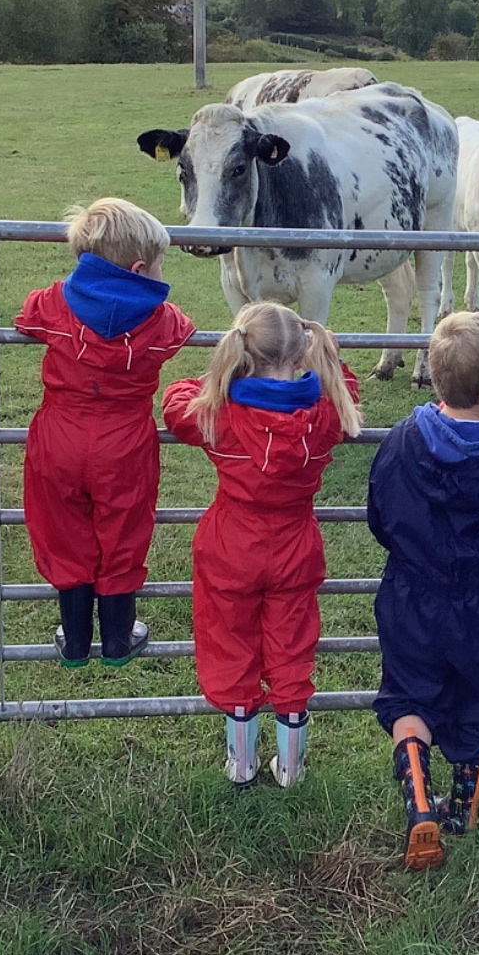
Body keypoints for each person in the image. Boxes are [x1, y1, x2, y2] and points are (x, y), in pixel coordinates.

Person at [164, 302, 360, 788]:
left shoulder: (221, 413)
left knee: (231, 645)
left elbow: (175, 402)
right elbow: (347, 387)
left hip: (231, 544)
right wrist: (330, 360)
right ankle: (291, 768)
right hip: (295, 544)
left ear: (242, 354)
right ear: (302, 354)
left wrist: (221, 378)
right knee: (291, 648)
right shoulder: (326, 413)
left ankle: (241, 763)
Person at [368, 311, 479, 872]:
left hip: (411, 594)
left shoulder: (401, 441)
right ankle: (463, 811)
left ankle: (419, 799)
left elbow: (380, 515)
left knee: (408, 695)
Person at [16, 199, 195, 669]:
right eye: (159, 264)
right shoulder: (162, 319)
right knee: (124, 530)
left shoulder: (56, 301)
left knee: (61, 528)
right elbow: (182, 330)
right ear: (138, 269)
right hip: (125, 441)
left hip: (60, 435)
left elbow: (27, 315)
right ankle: (118, 637)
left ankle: (75, 639)